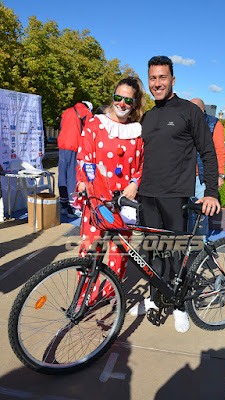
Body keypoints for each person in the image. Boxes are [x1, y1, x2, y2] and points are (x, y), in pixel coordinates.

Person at [129, 56, 220, 333]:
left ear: (172, 80)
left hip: (175, 195)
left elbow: (208, 151)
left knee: (176, 255)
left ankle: (180, 305)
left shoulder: (188, 111)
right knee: (153, 251)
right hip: (147, 195)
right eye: (153, 78)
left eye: (162, 77)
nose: (157, 83)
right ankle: (156, 299)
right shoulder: (148, 115)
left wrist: (212, 192)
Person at [75, 77, 146, 304]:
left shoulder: (137, 132)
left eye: (128, 100)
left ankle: (107, 295)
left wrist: (135, 184)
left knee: (119, 254)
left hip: (124, 203)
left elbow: (142, 166)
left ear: (134, 104)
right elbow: (84, 158)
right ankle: (83, 299)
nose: (122, 104)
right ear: (112, 98)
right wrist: (84, 183)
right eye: (118, 98)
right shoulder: (95, 125)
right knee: (90, 250)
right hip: (97, 200)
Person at [188, 98, 225, 235]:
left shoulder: (213, 123)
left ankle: (199, 249)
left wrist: (220, 175)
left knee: (199, 215)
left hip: (201, 177)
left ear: (202, 110)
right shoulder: (185, 121)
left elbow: (219, 151)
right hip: (183, 176)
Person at [58, 101, 93, 217]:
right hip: (75, 145)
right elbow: (90, 132)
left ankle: (63, 205)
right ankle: (73, 208)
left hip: (62, 145)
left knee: (62, 175)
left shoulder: (66, 111)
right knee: (73, 176)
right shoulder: (86, 112)